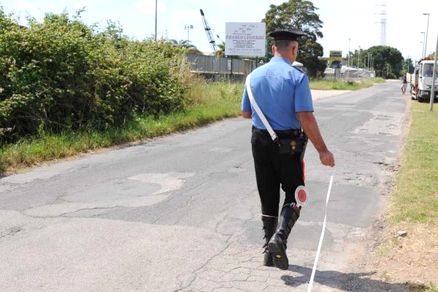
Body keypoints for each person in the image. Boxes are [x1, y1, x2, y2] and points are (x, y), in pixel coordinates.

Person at [241, 29, 335, 270]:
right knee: (296, 192)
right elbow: (304, 116)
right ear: (294, 49)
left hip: (259, 141)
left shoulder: (252, 77)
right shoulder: (297, 76)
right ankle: (279, 239)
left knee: (267, 192)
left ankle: (268, 253)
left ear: (273, 49)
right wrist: (322, 150)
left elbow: (246, 113)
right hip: (288, 144)